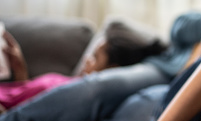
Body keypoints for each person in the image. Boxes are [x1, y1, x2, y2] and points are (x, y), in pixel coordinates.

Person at [0, 0, 201, 121]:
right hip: (160, 71)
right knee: (98, 87)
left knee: (147, 111)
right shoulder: (199, 24)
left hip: (186, 84)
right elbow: (178, 27)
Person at [0, 21, 166, 112]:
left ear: (112, 70)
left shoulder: (75, 97)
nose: (86, 59)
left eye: (95, 57)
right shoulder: (69, 83)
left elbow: (30, 110)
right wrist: (20, 70)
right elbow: (22, 96)